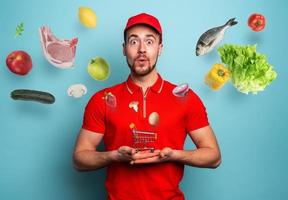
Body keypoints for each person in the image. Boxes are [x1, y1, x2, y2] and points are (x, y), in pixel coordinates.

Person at [73, 13, 221, 200]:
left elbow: (213, 156)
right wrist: (113, 156)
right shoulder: (102, 99)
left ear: (160, 49)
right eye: (134, 42)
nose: (142, 49)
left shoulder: (186, 98)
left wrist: (174, 155)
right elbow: (79, 158)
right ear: (124, 49)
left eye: (149, 42)